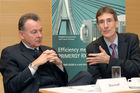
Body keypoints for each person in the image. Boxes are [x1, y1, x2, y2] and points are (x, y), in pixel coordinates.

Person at [0, 13, 92, 93]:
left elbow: (63, 83)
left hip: (55, 91)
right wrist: (34, 65)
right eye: (34, 32)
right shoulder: (10, 53)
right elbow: (10, 87)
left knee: (85, 75)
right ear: (21, 34)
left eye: (40, 31)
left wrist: (59, 65)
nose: (39, 35)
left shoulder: (49, 50)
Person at [86, 6, 140, 84]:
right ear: (98, 26)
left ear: (116, 23)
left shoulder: (131, 40)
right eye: (101, 22)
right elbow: (95, 79)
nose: (105, 26)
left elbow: (136, 67)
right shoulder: (92, 48)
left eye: (109, 21)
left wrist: (109, 60)